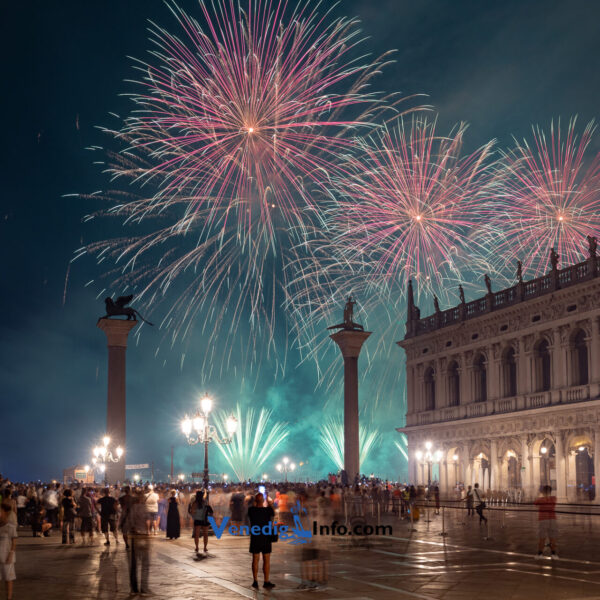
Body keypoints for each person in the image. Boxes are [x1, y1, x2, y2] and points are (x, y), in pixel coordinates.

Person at [125, 490, 152, 596]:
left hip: (134, 537)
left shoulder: (132, 508)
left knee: (133, 565)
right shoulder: (144, 508)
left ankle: (133, 589)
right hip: (143, 536)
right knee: (145, 563)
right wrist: (148, 532)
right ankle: (144, 588)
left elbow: (129, 523)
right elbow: (148, 521)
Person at [248, 493, 275, 590]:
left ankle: (255, 581)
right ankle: (266, 581)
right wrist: (270, 503)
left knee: (255, 559)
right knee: (266, 560)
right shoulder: (268, 510)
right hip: (266, 537)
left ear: (255, 501)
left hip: (255, 537)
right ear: (263, 500)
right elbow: (273, 515)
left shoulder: (251, 510)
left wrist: (257, 502)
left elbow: (252, 509)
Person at [534, 485, 558, 559]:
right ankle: (553, 554)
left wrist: (541, 495)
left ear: (543, 492)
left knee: (542, 538)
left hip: (543, 519)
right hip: (552, 519)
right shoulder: (554, 499)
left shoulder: (540, 500)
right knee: (552, 538)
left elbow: (535, 503)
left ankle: (540, 554)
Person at [0, 503, 17, 600]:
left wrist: (11, 554)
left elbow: (14, 541)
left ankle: (9, 597)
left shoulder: (10, 526)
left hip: (7, 555)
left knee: (8, 578)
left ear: (5, 512)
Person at [188, 490, 213, 555]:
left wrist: (194, 513)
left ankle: (197, 547)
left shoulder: (194, 503)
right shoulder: (205, 502)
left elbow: (192, 512)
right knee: (205, 534)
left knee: (197, 534)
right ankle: (205, 547)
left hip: (197, 520)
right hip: (205, 519)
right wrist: (205, 492)